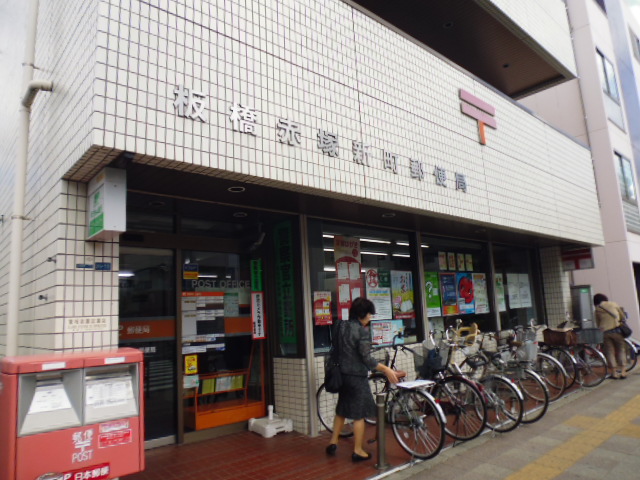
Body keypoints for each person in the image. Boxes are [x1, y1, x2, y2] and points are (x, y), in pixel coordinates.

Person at [326, 297, 400, 462]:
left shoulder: (340, 325)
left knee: (342, 409)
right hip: (356, 377)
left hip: (340, 375)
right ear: (363, 314)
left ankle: (333, 442)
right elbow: (367, 359)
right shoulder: (362, 332)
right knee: (358, 415)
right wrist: (386, 368)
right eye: (369, 314)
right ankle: (358, 450)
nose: (370, 318)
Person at [593, 293, 628, 379]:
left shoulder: (597, 309)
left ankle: (614, 373)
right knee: (621, 350)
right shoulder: (613, 304)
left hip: (606, 333)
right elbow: (622, 316)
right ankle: (623, 372)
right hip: (617, 331)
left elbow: (598, 324)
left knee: (609, 352)